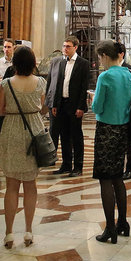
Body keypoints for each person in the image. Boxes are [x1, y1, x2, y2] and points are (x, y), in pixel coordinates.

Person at [0, 45, 46, 248]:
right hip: (34, 130)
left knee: (11, 185)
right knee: (30, 185)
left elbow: (0, 110)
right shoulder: (40, 82)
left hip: (12, 130)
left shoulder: (7, 83)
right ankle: (28, 230)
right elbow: (43, 108)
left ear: (15, 63)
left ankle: (9, 233)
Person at [91, 40, 131, 243]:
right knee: (117, 177)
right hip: (123, 129)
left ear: (106, 56)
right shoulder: (130, 74)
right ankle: (122, 222)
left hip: (106, 129)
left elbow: (97, 107)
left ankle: (110, 228)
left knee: (105, 179)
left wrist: (92, 99)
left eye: (100, 57)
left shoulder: (105, 76)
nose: (100, 61)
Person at [48, 36, 89, 177]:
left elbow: (84, 87)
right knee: (63, 136)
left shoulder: (83, 64)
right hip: (61, 104)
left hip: (74, 105)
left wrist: (81, 107)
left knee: (76, 136)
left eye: (68, 46)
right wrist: (54, 104)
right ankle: (66, 165)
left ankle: (78, 167)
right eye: (64, 46)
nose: (65, 49)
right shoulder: (59, 62)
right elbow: (55, 85)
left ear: (75, 47)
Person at [0, 39, 14, 162]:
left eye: (9, 47)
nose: (7, 49)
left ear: (13, 48)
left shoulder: (17, 63)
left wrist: (2, 81)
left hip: (13, 99)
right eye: (5, 47)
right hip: (0, 96)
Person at [119, 42, 131, 180]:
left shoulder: (130, 70)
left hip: (127, 110)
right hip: (116, 112)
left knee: (128, 142)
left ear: (121, 54)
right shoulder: (110, 69)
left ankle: (130, 169)